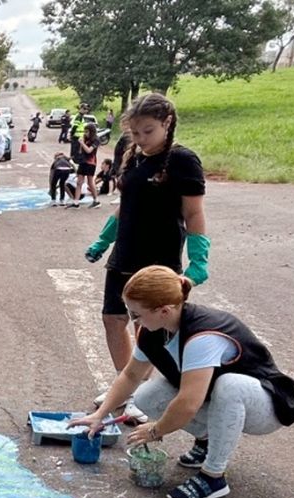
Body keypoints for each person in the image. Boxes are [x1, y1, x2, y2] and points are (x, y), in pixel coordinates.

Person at [70, 267, 294, 498]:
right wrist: (100, 414)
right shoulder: (155, 330)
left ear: (164, 311)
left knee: (229, 385)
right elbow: (131, 375)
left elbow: (189, 403)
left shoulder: (202, 336)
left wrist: (155, 430)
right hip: (216, 399)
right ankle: (207, 440)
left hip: (267, 405)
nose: (134, 320)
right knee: (147, 396)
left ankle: (213, 476)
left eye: (136, 314)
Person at [84, 92, 212, 421]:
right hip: (125, 251)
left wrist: (199, 258)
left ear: (167, 123)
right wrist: (103, 240)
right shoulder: (131, 154)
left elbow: (194, 213)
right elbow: (124, 206)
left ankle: (142, 394)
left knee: (151, 326)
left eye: (148, 131)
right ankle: (125, 386)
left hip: (160, 257)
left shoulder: (182, 160)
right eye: (135, 133)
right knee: (113, 319)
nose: (140, 139)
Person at [75, 124, 101, 208]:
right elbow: (80, 151)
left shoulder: (96, 140)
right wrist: (81, 143)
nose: (85, 133)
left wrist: (82, 143)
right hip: (83, 161)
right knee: (79, 182)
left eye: (87, 132)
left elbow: (89, 150)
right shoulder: (85, 139)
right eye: (85, 131)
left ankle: (96, 200)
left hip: (91, 162)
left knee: (90, 182)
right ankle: (76, 202)